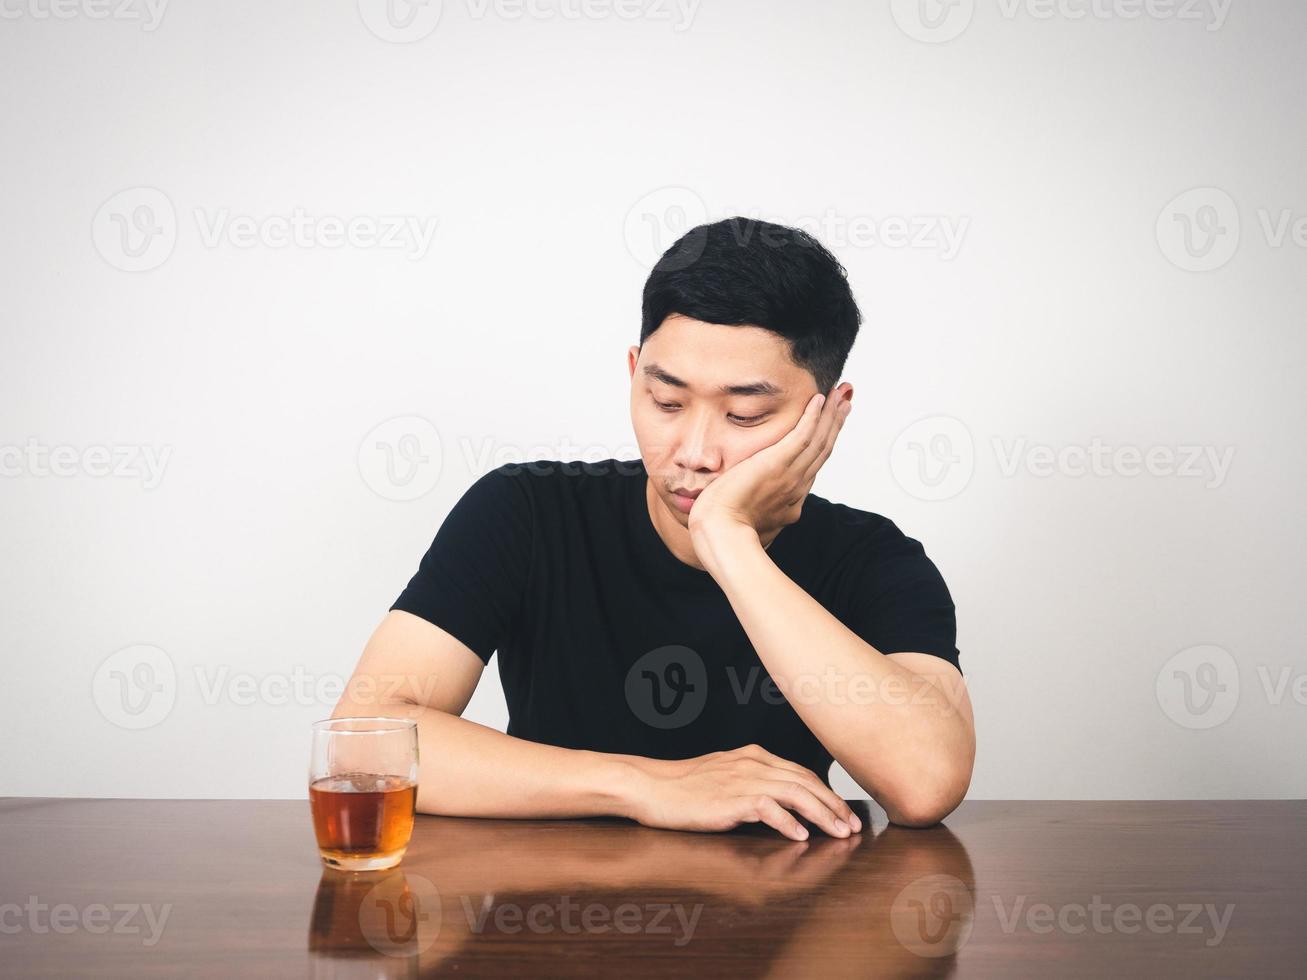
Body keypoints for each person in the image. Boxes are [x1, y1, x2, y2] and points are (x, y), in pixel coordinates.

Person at [331, 217, 976, 839]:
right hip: (543, 928)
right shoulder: (525, 511)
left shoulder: (872, 559)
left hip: (782, 918)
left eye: (745, 415)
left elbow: (925, 785)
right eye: (666, 401)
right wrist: (645, 785)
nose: (693, 451)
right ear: (633, 372)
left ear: (827, 414)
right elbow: (364, 743)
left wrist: (729, 540)